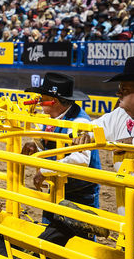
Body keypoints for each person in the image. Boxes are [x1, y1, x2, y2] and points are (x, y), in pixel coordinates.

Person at [21, 73, 101, 220]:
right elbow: (53, 147)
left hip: (79, 192)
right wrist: (37, 147)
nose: (39, 102)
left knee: (79, 232)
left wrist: (44, 171)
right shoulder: (54, 118)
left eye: (42, 98)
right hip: (58, 185)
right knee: (49, 227)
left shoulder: (79, 122)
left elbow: (81, 159)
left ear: (54, 101)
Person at [73, 57, 134, 148]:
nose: (118, 93)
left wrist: (133, 141)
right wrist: (85, 133)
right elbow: (94, 127)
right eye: (119, 88)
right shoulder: (121, 113)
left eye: (124, 90)